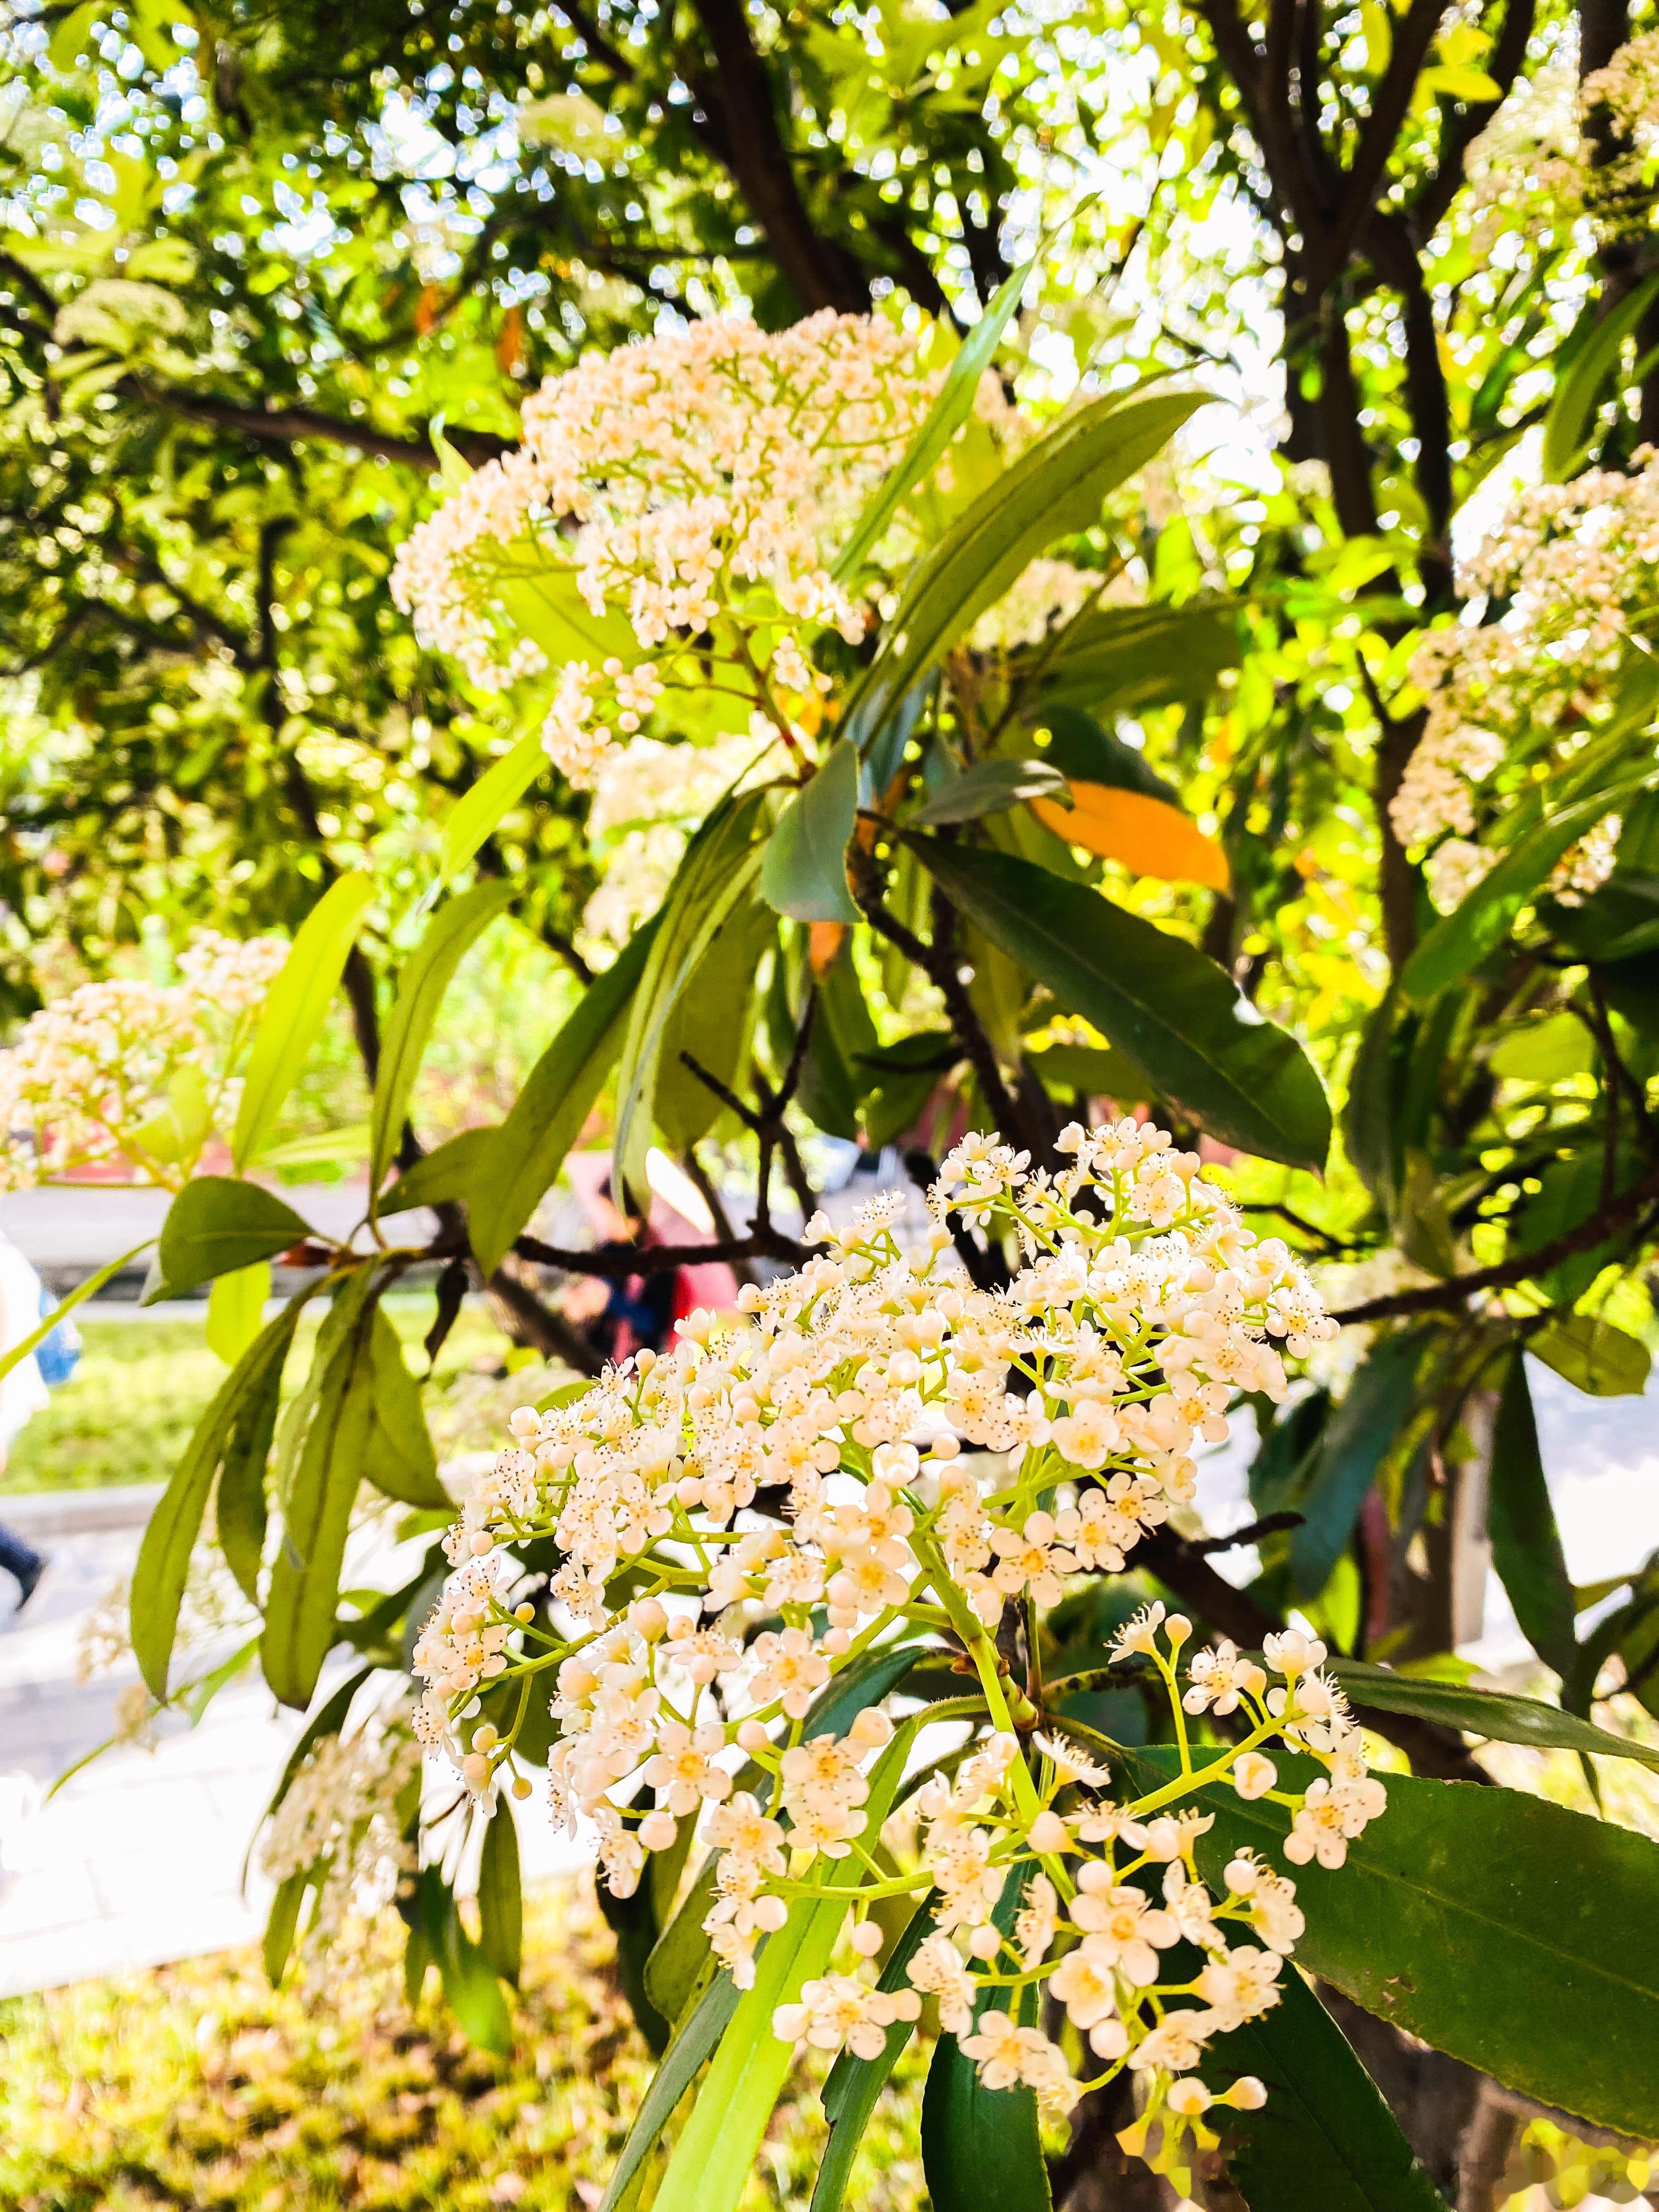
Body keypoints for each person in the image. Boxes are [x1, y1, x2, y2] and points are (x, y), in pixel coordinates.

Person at [0, 1228, 54, 1616]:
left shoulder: (5, 1266)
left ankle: (29, 1563)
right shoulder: (10, 1256)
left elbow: (9, 1349)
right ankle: (28, 1564)